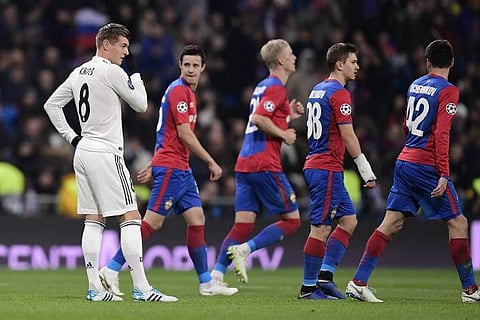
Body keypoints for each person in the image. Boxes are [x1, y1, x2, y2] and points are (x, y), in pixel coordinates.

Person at [43, 23, 177, 302]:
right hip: (105, 151)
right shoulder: (112, 71)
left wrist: (72, 137)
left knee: (94, 219)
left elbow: (51, 105)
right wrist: (136, 72)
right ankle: (141, 288)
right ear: (106, 44)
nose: (126, 53)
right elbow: (141, 105)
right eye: (123, 46)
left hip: (83, 150)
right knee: (131, 216)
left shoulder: (79, 71)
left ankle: (95, 288)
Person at [345, 39, 480, 303]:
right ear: (452, 62)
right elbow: (442, 132)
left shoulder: (415, 84)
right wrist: (443, 171)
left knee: (391, 224)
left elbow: (406, 124)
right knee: (458, 221)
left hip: (405, 160)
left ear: (427, 62)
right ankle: (471, 291)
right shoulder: (449, 91)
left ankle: (358, 282)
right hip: (427, 165)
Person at [98, 44, 238, 297]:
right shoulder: (178, 92)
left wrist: (154, 162)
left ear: (203, 68)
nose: (192, 69)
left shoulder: (187, 94)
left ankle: (206, 283)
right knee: (152, 222)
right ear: (180, 66)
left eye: (196, 65)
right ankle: (111, 269)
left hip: (179, 168)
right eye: (187, 65)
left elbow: (165, 131)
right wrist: (211, 161)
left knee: (197, 219)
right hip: (173, 168)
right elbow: (184, 134)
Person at [210, 39, 304, 285]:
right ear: (281, 60)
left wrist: (286, 117)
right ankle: (246, 250)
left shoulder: (262, 86)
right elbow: (260, 117)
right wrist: (284, 133)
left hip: (245, 164)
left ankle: (217, 276)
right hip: (264, 163)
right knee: (292, 221)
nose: (295, 57)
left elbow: (262, 119)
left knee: (242, 224)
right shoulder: (276, 87)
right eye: (291, 54)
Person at [297, 43, 377, 300]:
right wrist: (365, 169)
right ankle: (308, 289)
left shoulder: (317, 89)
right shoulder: (340, 93)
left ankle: (324, 277)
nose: (357, 66)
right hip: (326, 168)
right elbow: (348, 134)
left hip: (319, 165)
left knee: (348, 220)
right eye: (353, 61)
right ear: (339, 64)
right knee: (320, 228)